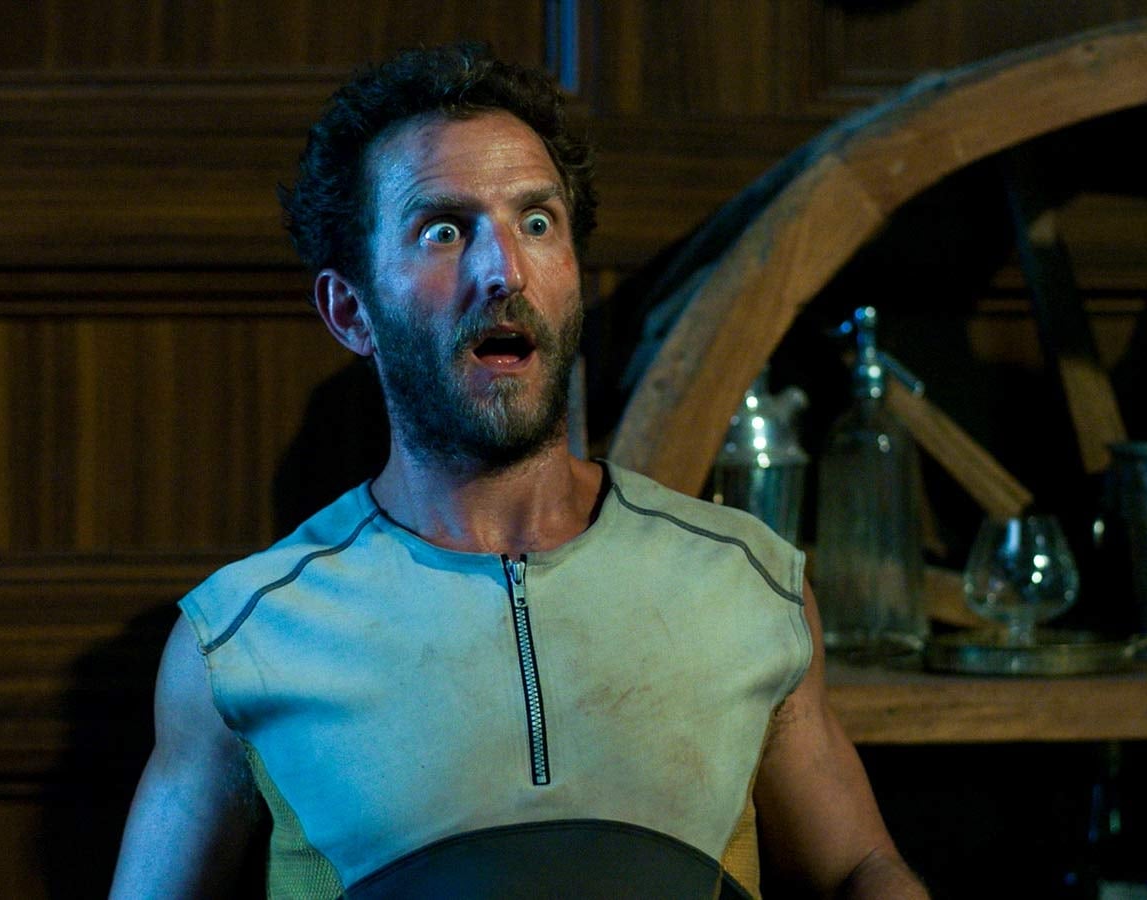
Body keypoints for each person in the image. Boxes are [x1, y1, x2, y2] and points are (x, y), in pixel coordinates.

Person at [110, 43, 927, 900]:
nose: (504, 270)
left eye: (537, 222)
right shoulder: (244, 639)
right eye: (443, 230)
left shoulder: (745, 580)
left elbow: (859, 867)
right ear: (351, 310)